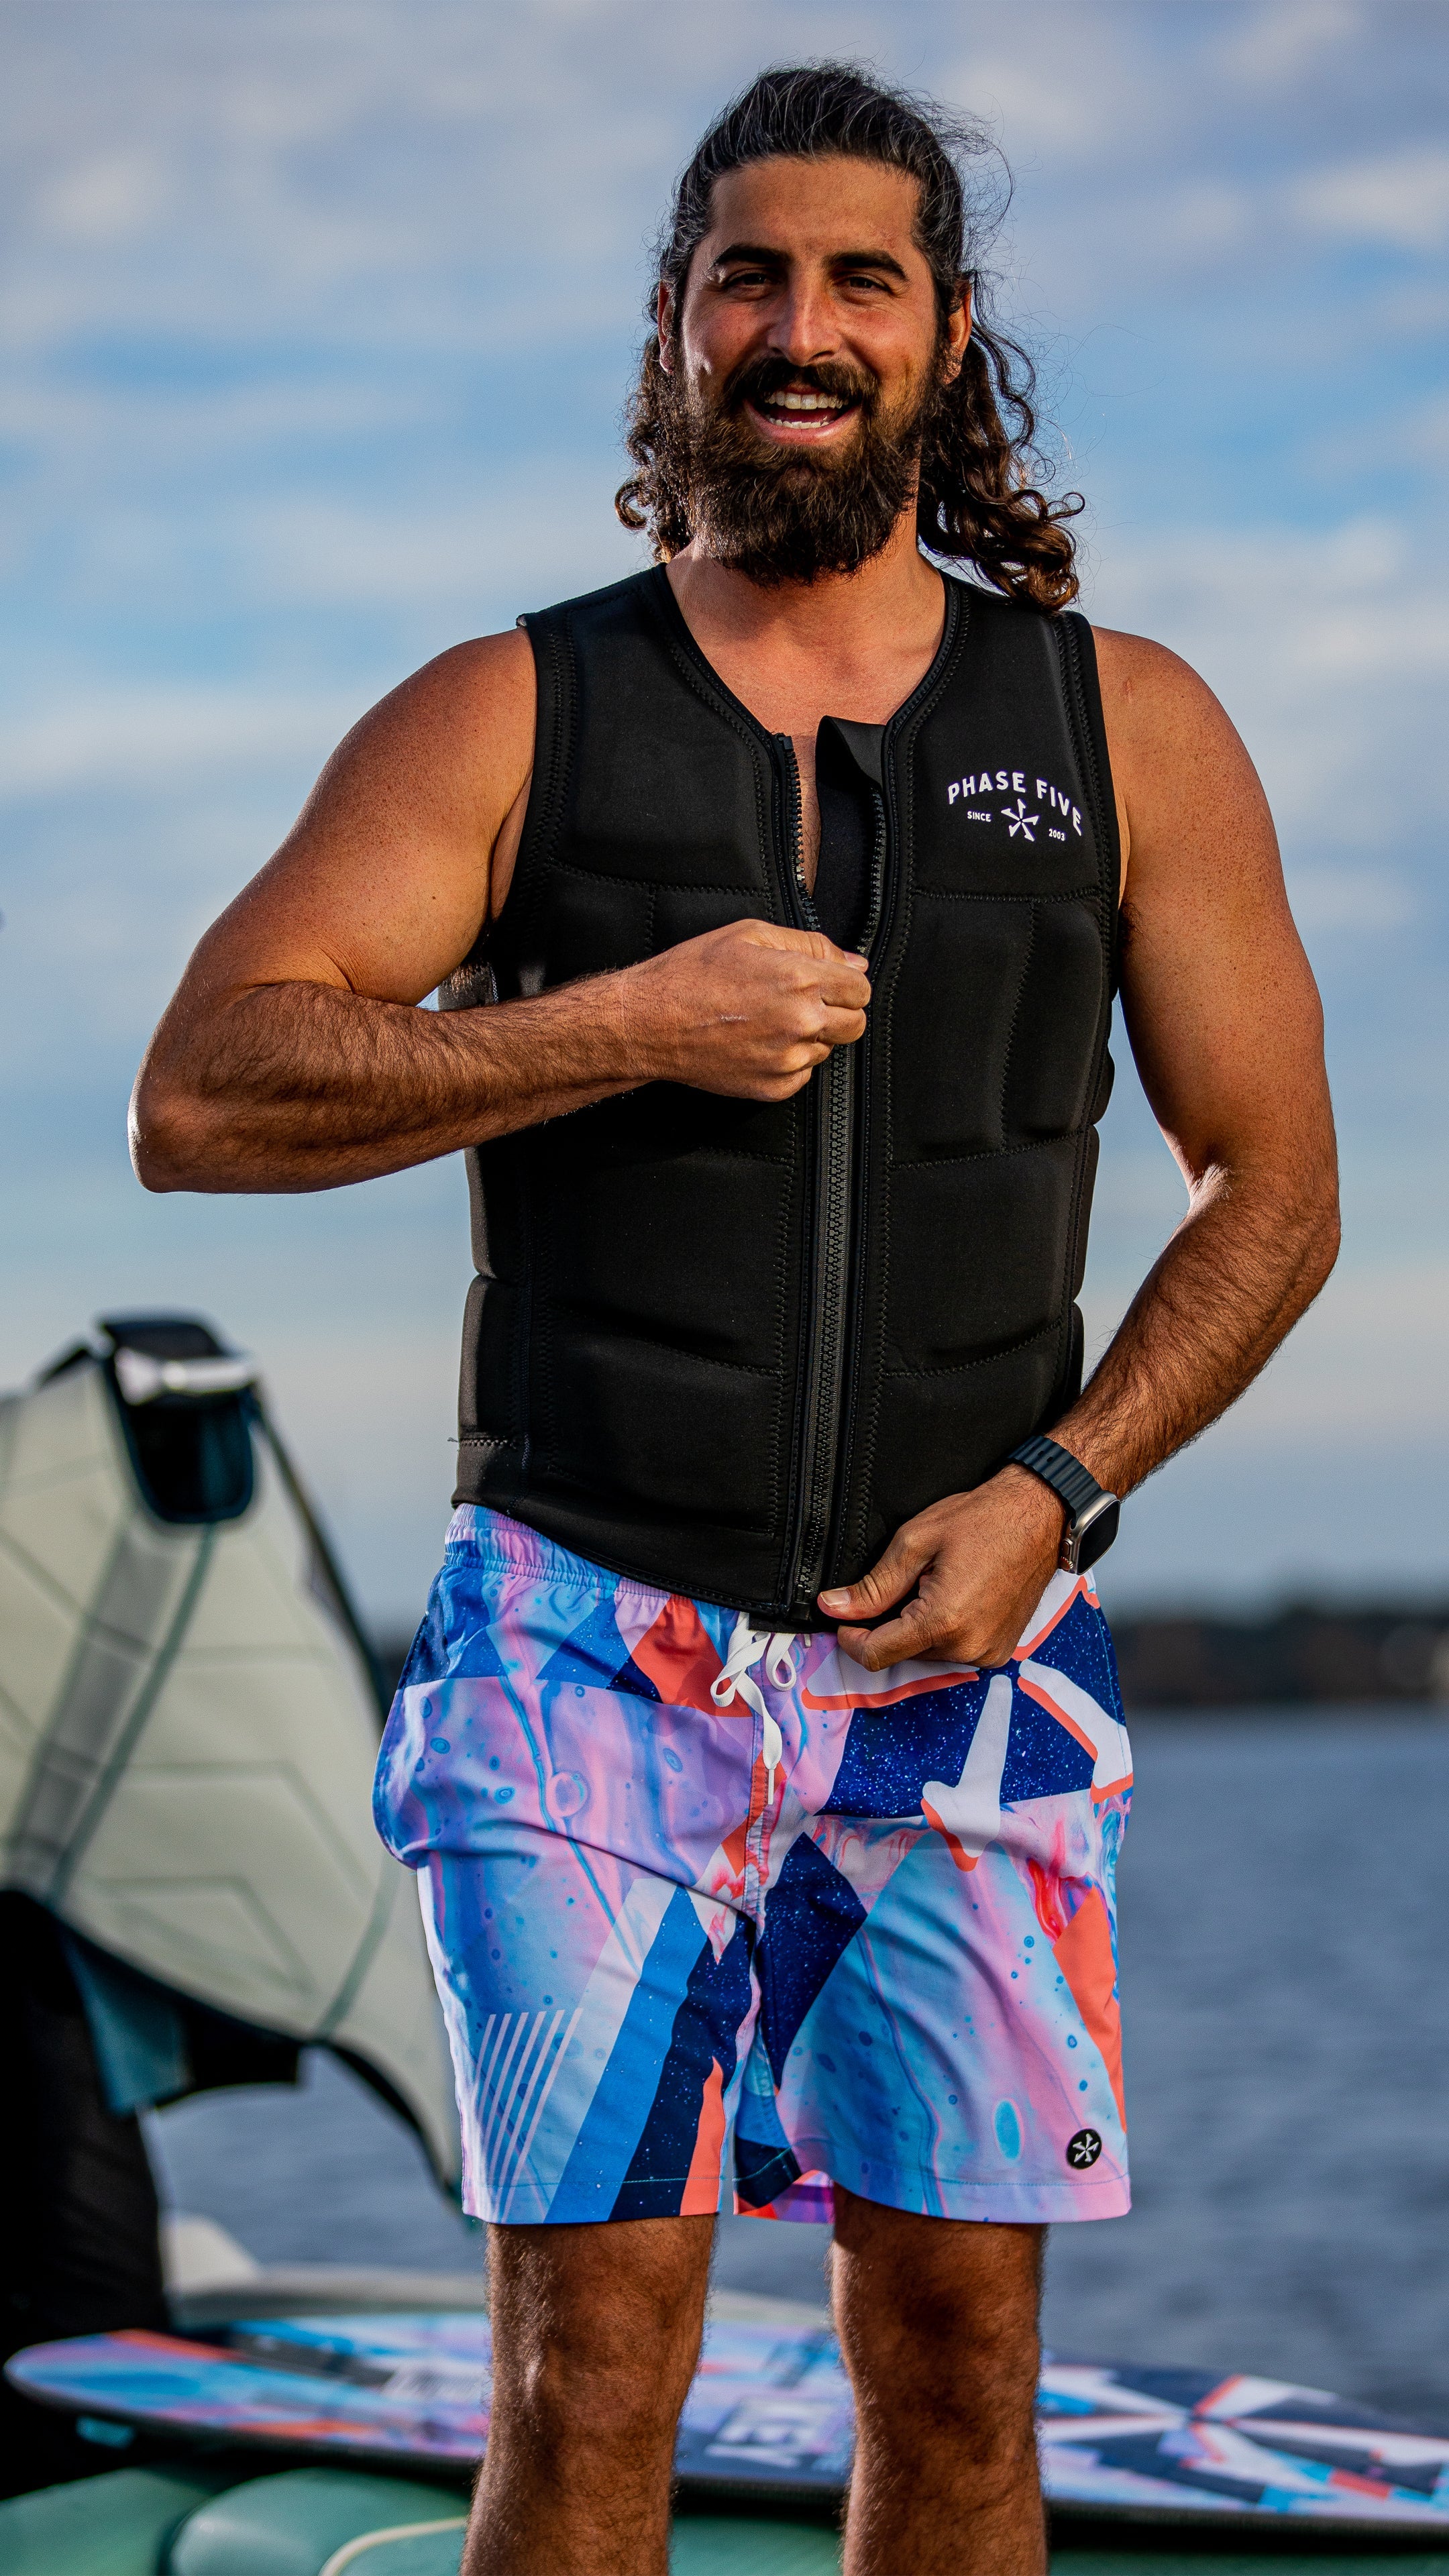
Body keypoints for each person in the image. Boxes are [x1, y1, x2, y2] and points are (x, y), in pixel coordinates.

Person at [131, 62, 1339, 2576]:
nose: (801, 327)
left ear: (948, 337)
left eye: (858, 280)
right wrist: (612, 1023)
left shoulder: (1125, 728)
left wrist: (1061, 1491)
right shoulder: (515, 708)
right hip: (580, 1646)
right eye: (747, 277)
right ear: (675, 328)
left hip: (972, 1666)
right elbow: (203, 1090)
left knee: (960, 2378)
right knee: (591, 2383)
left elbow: (1279, 1194)